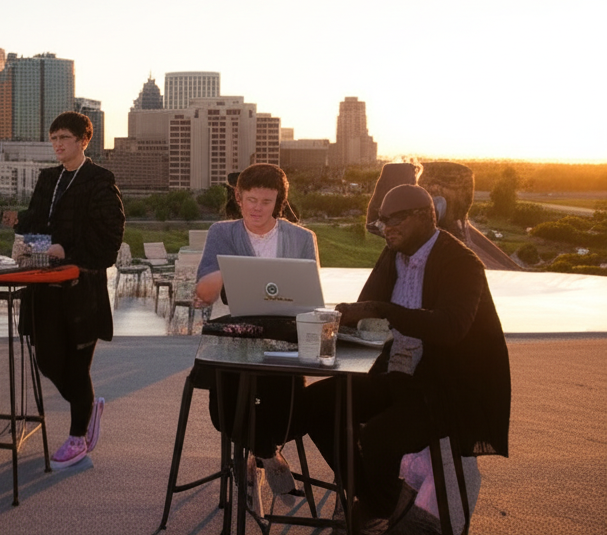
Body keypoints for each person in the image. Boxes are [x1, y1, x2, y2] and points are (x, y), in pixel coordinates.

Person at [303, 184, 511, 532]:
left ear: (427, 216)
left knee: (378, 438)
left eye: (395, 219)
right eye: (382, 221)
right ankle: (377, 501)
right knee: (317, 405)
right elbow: (367, 308)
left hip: (446, 388)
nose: (387, 228)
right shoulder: (393, 255)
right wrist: (340, 321)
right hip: (396, 375)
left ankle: (379, 507)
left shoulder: (462, 263)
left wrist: (384, 310)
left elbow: (451, 327)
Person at [193, 163, 319, 516]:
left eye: (266, 201)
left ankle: (254, 461)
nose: (257, 208)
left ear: (279, 201)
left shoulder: (301, 238)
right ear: (239, 197)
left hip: (283, 338)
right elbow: (204, 293)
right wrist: (231, 270)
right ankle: (267, 455)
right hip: (234, 338)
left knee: (291, 411)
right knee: (225, 412)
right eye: (251, 200)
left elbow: (310, 300)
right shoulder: (222, 232)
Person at [15, 112, 125, 469]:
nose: (58, 144)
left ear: (83, 140)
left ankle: (78, 436)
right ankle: (89, 407)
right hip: (44, 286)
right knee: (47, 361)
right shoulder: (49, 178)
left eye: (64, 137)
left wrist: (68, 251)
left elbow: (110, 238)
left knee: (77, 367)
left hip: (82, 290)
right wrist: (23, 236)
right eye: (53, 138)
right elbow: (35, 221)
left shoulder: (99, 179)